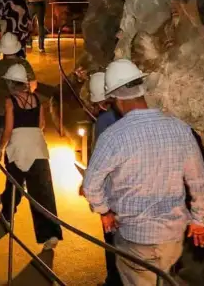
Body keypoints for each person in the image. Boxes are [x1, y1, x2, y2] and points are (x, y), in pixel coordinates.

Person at [82, 59, 204, 286]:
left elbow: (91, 185)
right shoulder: (179, 128)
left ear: (115, 98)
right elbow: (198, 179)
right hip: (172, 238)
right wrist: (200, 220)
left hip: (135, 239)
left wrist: (104, 211)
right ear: (141, 89)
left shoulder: (113, 136)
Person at [0, 63, 62, 251]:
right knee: (43, 192)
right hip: (37, 148)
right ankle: (50, 234)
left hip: (18, 148)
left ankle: (7, 217)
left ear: (11, 83)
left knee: (14, 185)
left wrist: (0, 148)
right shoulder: (36, 99)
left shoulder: (10, 102)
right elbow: (41, 124)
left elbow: (8, 129)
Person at [85, 71, 121, 286]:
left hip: (114, 190)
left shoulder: (104, 120)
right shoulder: (127, 114)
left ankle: (114, 281)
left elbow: (99, 160)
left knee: (112, 239)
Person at [0, 33, 36, 173]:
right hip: (21, 107)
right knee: (18, 137)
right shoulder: (24, 64)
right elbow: (33, 85)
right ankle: (19, 167)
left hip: (1, 108)